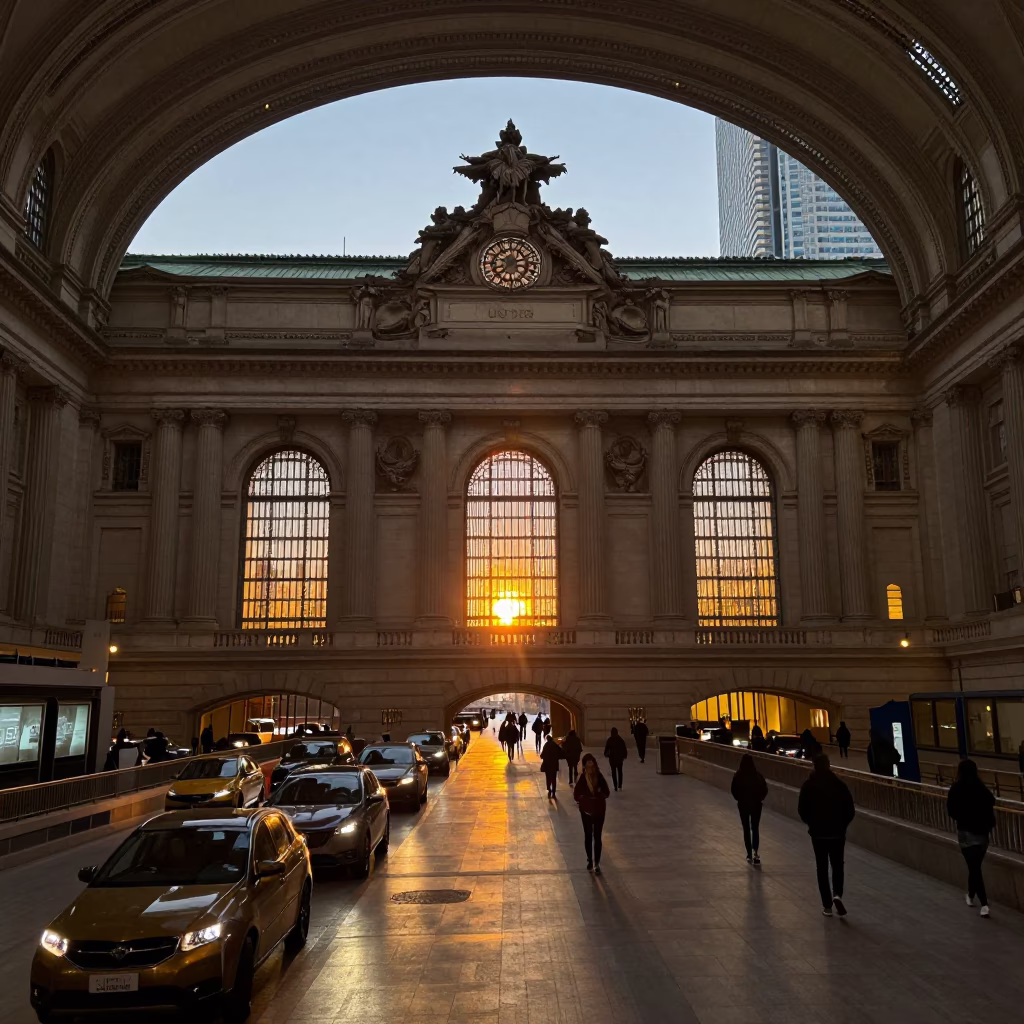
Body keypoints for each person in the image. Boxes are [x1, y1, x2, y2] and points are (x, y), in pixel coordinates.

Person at [798, 754, 855, 917]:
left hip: (818, 834)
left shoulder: (808, 786)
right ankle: (838, 894)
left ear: (814, 766)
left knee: (821, 868)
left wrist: (811, 824)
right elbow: (850, 809)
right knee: (838, 865)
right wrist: (842, 825)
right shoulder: (839, 785)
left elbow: (802, 809)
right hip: (837, 834)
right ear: (828, 765)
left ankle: (827, 905)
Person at [947, 759, 996, 917]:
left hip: (966, 833)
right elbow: (991, 801)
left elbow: (951, 811)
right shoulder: (981, 788)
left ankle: (984, 904)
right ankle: (970, 894)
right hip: (983, 834)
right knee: (975, 867)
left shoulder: (956, 788)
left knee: (974, 868)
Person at [574, 753, 610, 874]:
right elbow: (576, 795)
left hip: (599, 810)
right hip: (586, 811)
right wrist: (584, 799)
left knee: (597, 836)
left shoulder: (599, 777)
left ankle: (597, 863)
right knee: (588, 835)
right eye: (588, 765)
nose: (590, 768)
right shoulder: (582, 779)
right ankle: (590, 859)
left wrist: (599, 796)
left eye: (592, 765)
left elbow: (607, 792)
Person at [731, 754, 768, 864]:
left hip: (743, 805)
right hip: (756, 805)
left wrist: (740, 799)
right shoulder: (758, 776)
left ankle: (749, 854)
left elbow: (734, 790)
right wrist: (759, 799)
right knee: (755, 828)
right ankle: (756, 852)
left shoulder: (738, 776)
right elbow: (764, 789)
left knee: (746, 829)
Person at [604, 727, 627, 791]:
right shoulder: (620, 740)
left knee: (614, 772)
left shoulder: (610, 740)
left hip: (612, 759)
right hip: (619, 759)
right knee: (620, 771)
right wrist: (624, 756)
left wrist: (607, 754)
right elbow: (624, 749)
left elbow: (606, 750)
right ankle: (620, 785)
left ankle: (615, 786)